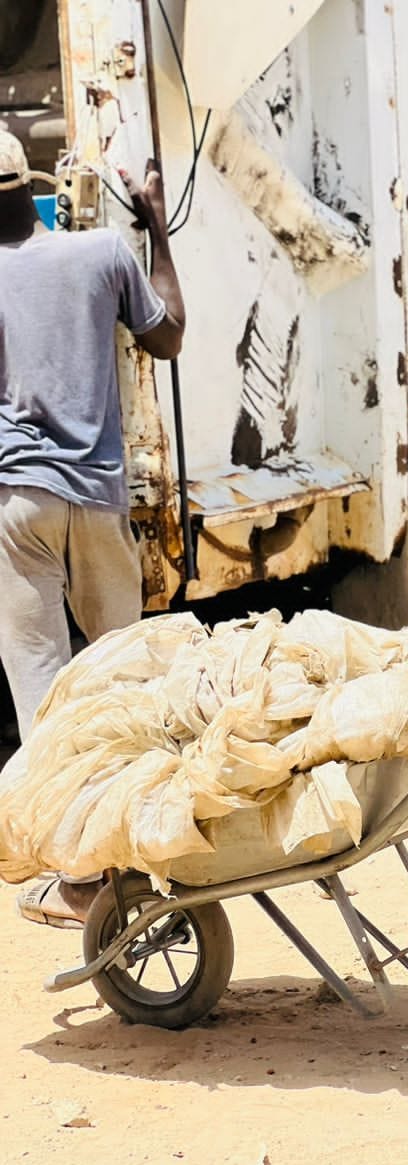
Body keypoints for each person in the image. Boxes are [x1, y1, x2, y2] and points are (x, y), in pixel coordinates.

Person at [0, 132, 185, 928]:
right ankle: (149, 854)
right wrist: (158, 229)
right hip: (102, 502)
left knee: (45, 701)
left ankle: (83, 880)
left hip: (19, 508)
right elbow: (168, 335)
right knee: (123, 688)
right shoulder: (104, 252)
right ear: (29, 188)